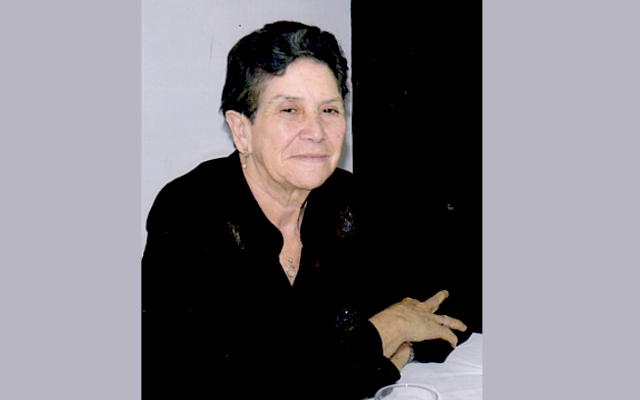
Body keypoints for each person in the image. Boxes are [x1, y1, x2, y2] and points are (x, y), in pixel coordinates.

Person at [142, 20, 467, 400]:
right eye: (289, 110)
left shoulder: (349, 200)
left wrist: (397, 349)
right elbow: (238, 385)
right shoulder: (190, 217)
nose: (315, 131)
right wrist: (387, 335)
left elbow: (445, 304)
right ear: (241, 130)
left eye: (328, 109)